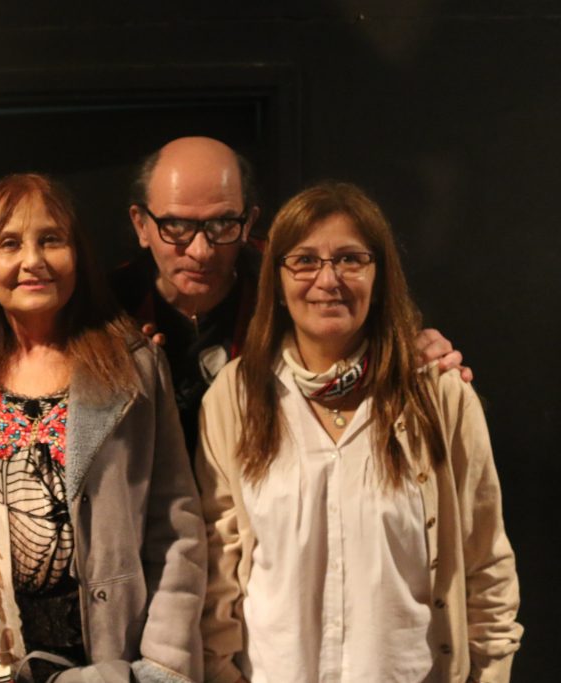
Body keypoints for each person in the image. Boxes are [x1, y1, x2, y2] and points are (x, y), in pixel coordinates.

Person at [196, 182, 521, 682]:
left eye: (350, 259)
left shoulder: (440, 396)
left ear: (379, 274)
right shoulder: (234, 398)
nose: (328, 279)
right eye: (304, 260)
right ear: (277, 280)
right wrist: (220, 672)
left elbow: (486, 566)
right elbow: (219, 564)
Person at [0, 173, 206, 682]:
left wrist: (164, 664)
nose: (32, 261)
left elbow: (175, 525)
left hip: (108, 667)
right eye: (10, 243)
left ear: (77, 255)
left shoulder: (134, 369)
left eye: (52, 240)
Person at [114, 136, 471, 452]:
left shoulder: (292, 281)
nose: (201, 251)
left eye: (222, 223)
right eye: (175, 226)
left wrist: (417, 350)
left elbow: (375, 335)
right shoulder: (105, 309)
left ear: (248, 222)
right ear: (141, 225)